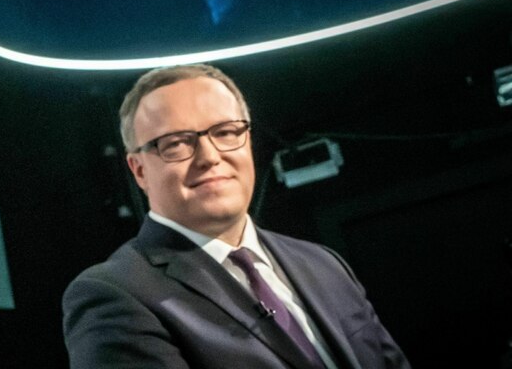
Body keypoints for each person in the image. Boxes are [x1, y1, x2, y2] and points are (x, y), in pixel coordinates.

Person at [62, 63, 409, 369]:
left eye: (226, 132)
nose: (210, 156)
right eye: (176, 142)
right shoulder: (113, 294)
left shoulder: (323, 263)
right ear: (139, 170)